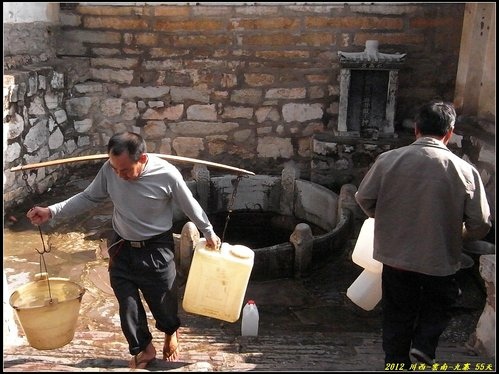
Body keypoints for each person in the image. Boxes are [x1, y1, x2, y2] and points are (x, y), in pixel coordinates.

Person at [27, 131, 222, 369]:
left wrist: (208, 231)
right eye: (115, 169)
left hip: (156, 247)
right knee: (127, 303)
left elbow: (189, 204)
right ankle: (144, 348)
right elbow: (89, 197)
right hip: (121, 245)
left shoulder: (167, 174)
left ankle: (171, 331)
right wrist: (51, 211)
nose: (120, 175)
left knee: (163, 301)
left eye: (126, 170)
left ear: (142, 159)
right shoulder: (110, 170)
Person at [355, 100, 491, 369]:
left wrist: (386, 218)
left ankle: (396, 362)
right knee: (438, 304)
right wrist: (459, 233)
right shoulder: (465, 170)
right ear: (449, 133)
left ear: (416, 129)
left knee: (397, 313)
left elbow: (364, 198)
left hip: (396, 257)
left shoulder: (388, 161)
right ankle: (424, 346)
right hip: (439, 259)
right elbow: (482, 222)